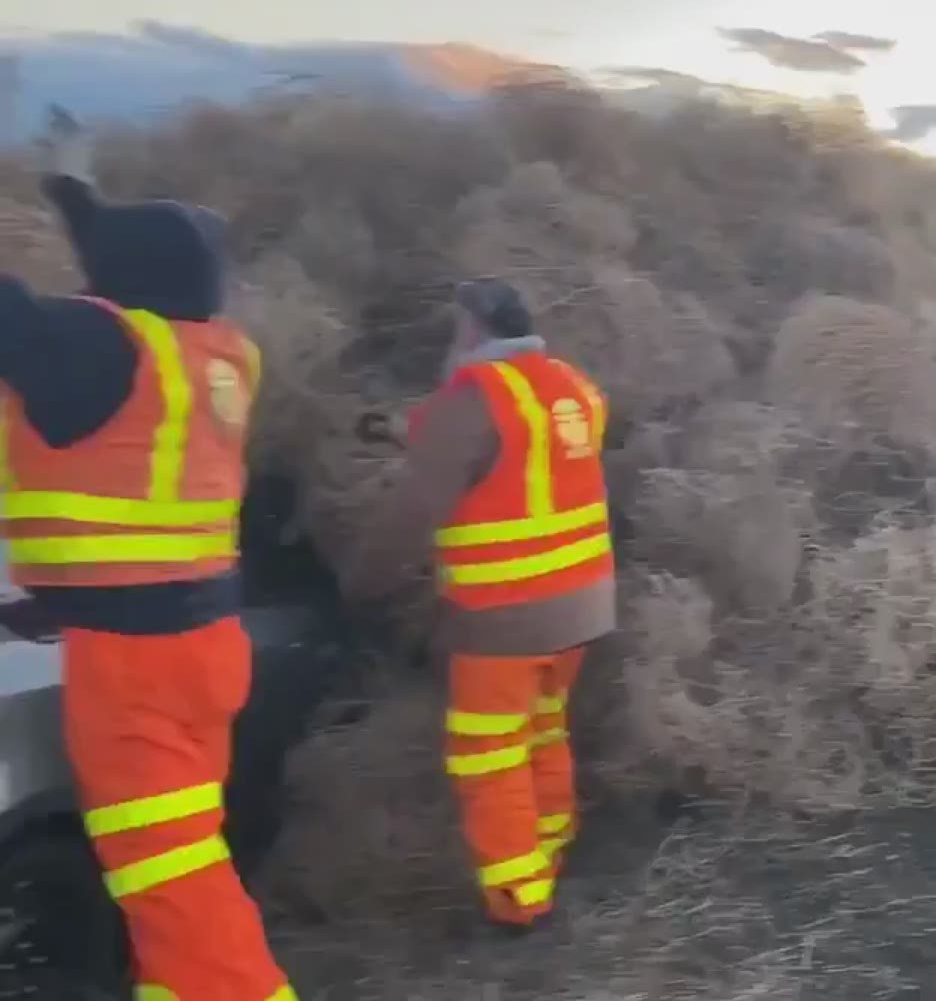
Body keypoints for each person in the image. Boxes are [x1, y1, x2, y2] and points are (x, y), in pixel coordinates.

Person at [0, 108, 297, 999]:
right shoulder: (216, 357)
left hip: (131, 670)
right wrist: (72, 194)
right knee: (171, 871)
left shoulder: (100, 348)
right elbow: (138, 271)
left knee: (167, 877)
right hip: (204, 647)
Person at [341, 277, 616, 931]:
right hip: (580, 606)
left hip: (506, 616)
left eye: (456, 327)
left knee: (488, 756)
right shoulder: (572, 385)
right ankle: (549, 854)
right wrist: (404, 430)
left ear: (475, 329)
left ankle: (520, 904)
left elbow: (415, 511)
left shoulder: (473, 397)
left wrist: (363, 582)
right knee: (543, 731)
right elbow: (518, 457)